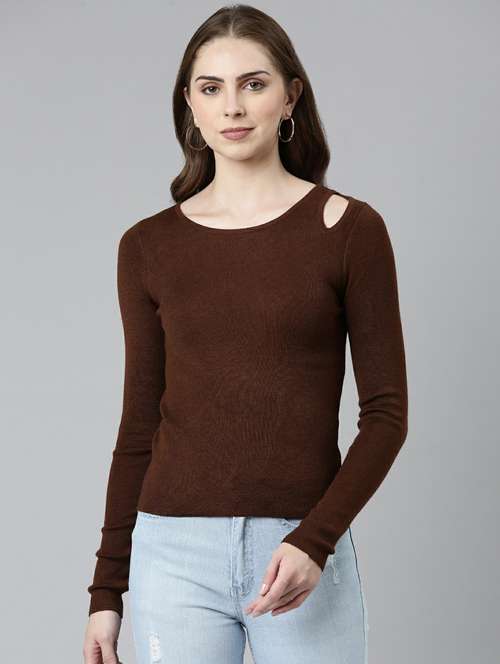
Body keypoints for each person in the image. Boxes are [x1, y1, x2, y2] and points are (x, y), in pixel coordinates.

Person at [83, 5, 408, 663]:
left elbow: (386, 416)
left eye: (253, 84)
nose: (232, 106)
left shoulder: (349, 231)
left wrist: (315, 539)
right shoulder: (148, 247)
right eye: (212, 88)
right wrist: (106, 592)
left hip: (300, 548)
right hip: (171, 556)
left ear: (290, 96)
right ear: (191, 105)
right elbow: (140, 425)